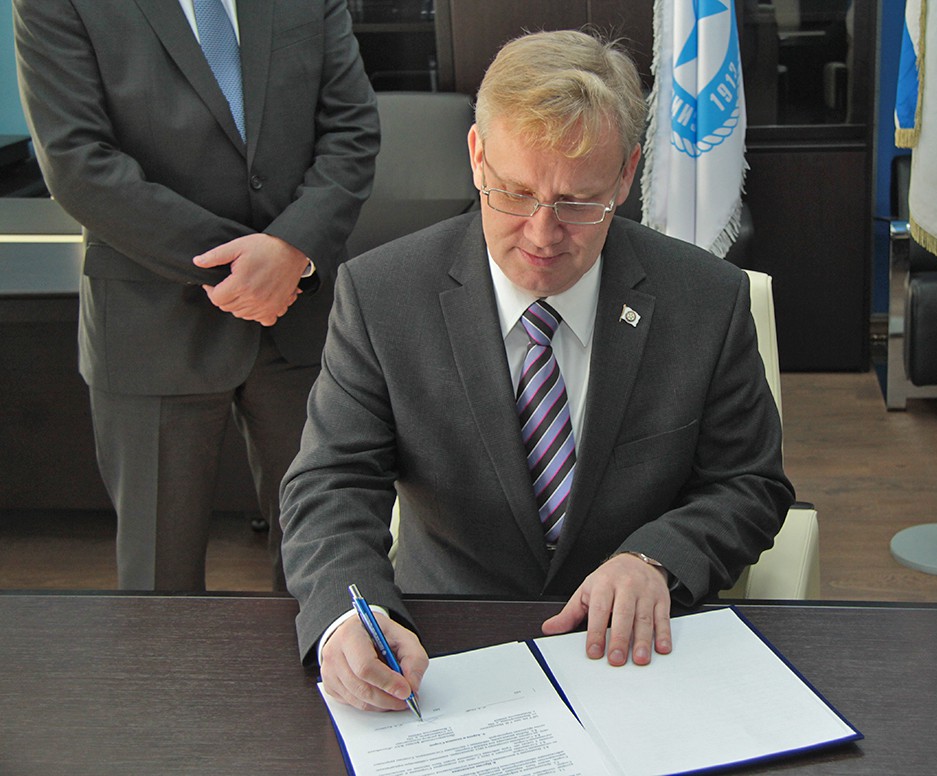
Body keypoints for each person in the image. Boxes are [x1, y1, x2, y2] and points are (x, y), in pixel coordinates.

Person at [280, 29, 794, 713]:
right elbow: (332, 481)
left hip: (640, 649)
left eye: (578, 203)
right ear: (476, 157)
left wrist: (657, 560)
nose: (543, 234)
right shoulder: (382, 296)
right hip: (442, 648)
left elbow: (749, 483)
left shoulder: (706, 300)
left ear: (626, 174)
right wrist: (351, 614)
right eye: (515, 194)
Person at [13, 0, 379, 592]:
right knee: (161, 582)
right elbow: (77, 162)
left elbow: (352, 128)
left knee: (327, 561)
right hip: (151, 318)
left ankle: (324, 659)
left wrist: (291, 249)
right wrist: (247, 266)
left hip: (300, 318)